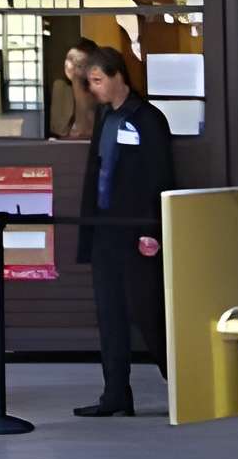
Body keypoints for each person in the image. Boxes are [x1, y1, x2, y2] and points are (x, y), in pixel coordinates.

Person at [74, 45, 176, 416]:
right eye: (90, 82)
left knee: (148, 313)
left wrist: (153, 229)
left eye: (98, 80)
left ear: (118, 75)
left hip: (136, 232)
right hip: (105, 229)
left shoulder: (148, 118)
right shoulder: (105, 117)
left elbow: (160, 176)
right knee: (110, 314)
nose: (95, 88)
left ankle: (185, 385)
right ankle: (115, 393)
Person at [47, 37, 103, 142]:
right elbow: (59, 131)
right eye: (69, 60)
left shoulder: (101, 93)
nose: (68, 65)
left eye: (78, 63)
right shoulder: (61, 89)